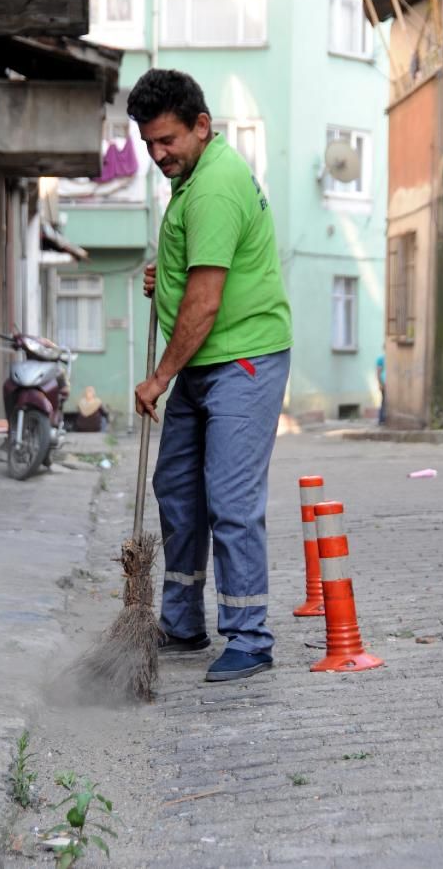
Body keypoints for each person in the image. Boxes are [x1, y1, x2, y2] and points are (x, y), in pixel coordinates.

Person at [128, 69, 292, 682]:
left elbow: (205, 301)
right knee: (176, 488)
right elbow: (194, 271)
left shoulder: (216, 185)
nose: (157, 154)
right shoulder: (193, 176)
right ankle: (183, 622)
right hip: (205, 361)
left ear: (202, 125)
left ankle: (250, 636)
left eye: (166, 139)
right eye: (149, 143)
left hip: (241, 360)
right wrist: (163, 274)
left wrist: (157, 378)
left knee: (230, 500)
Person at [376, 351, 386, 425]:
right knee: (384, 401)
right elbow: (378, 372)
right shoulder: (381, 359)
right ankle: (381, 419)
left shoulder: (390, 358)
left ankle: (384, 418)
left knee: (387, 401)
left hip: (390, 384)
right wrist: (380, 384)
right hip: (384, 383)